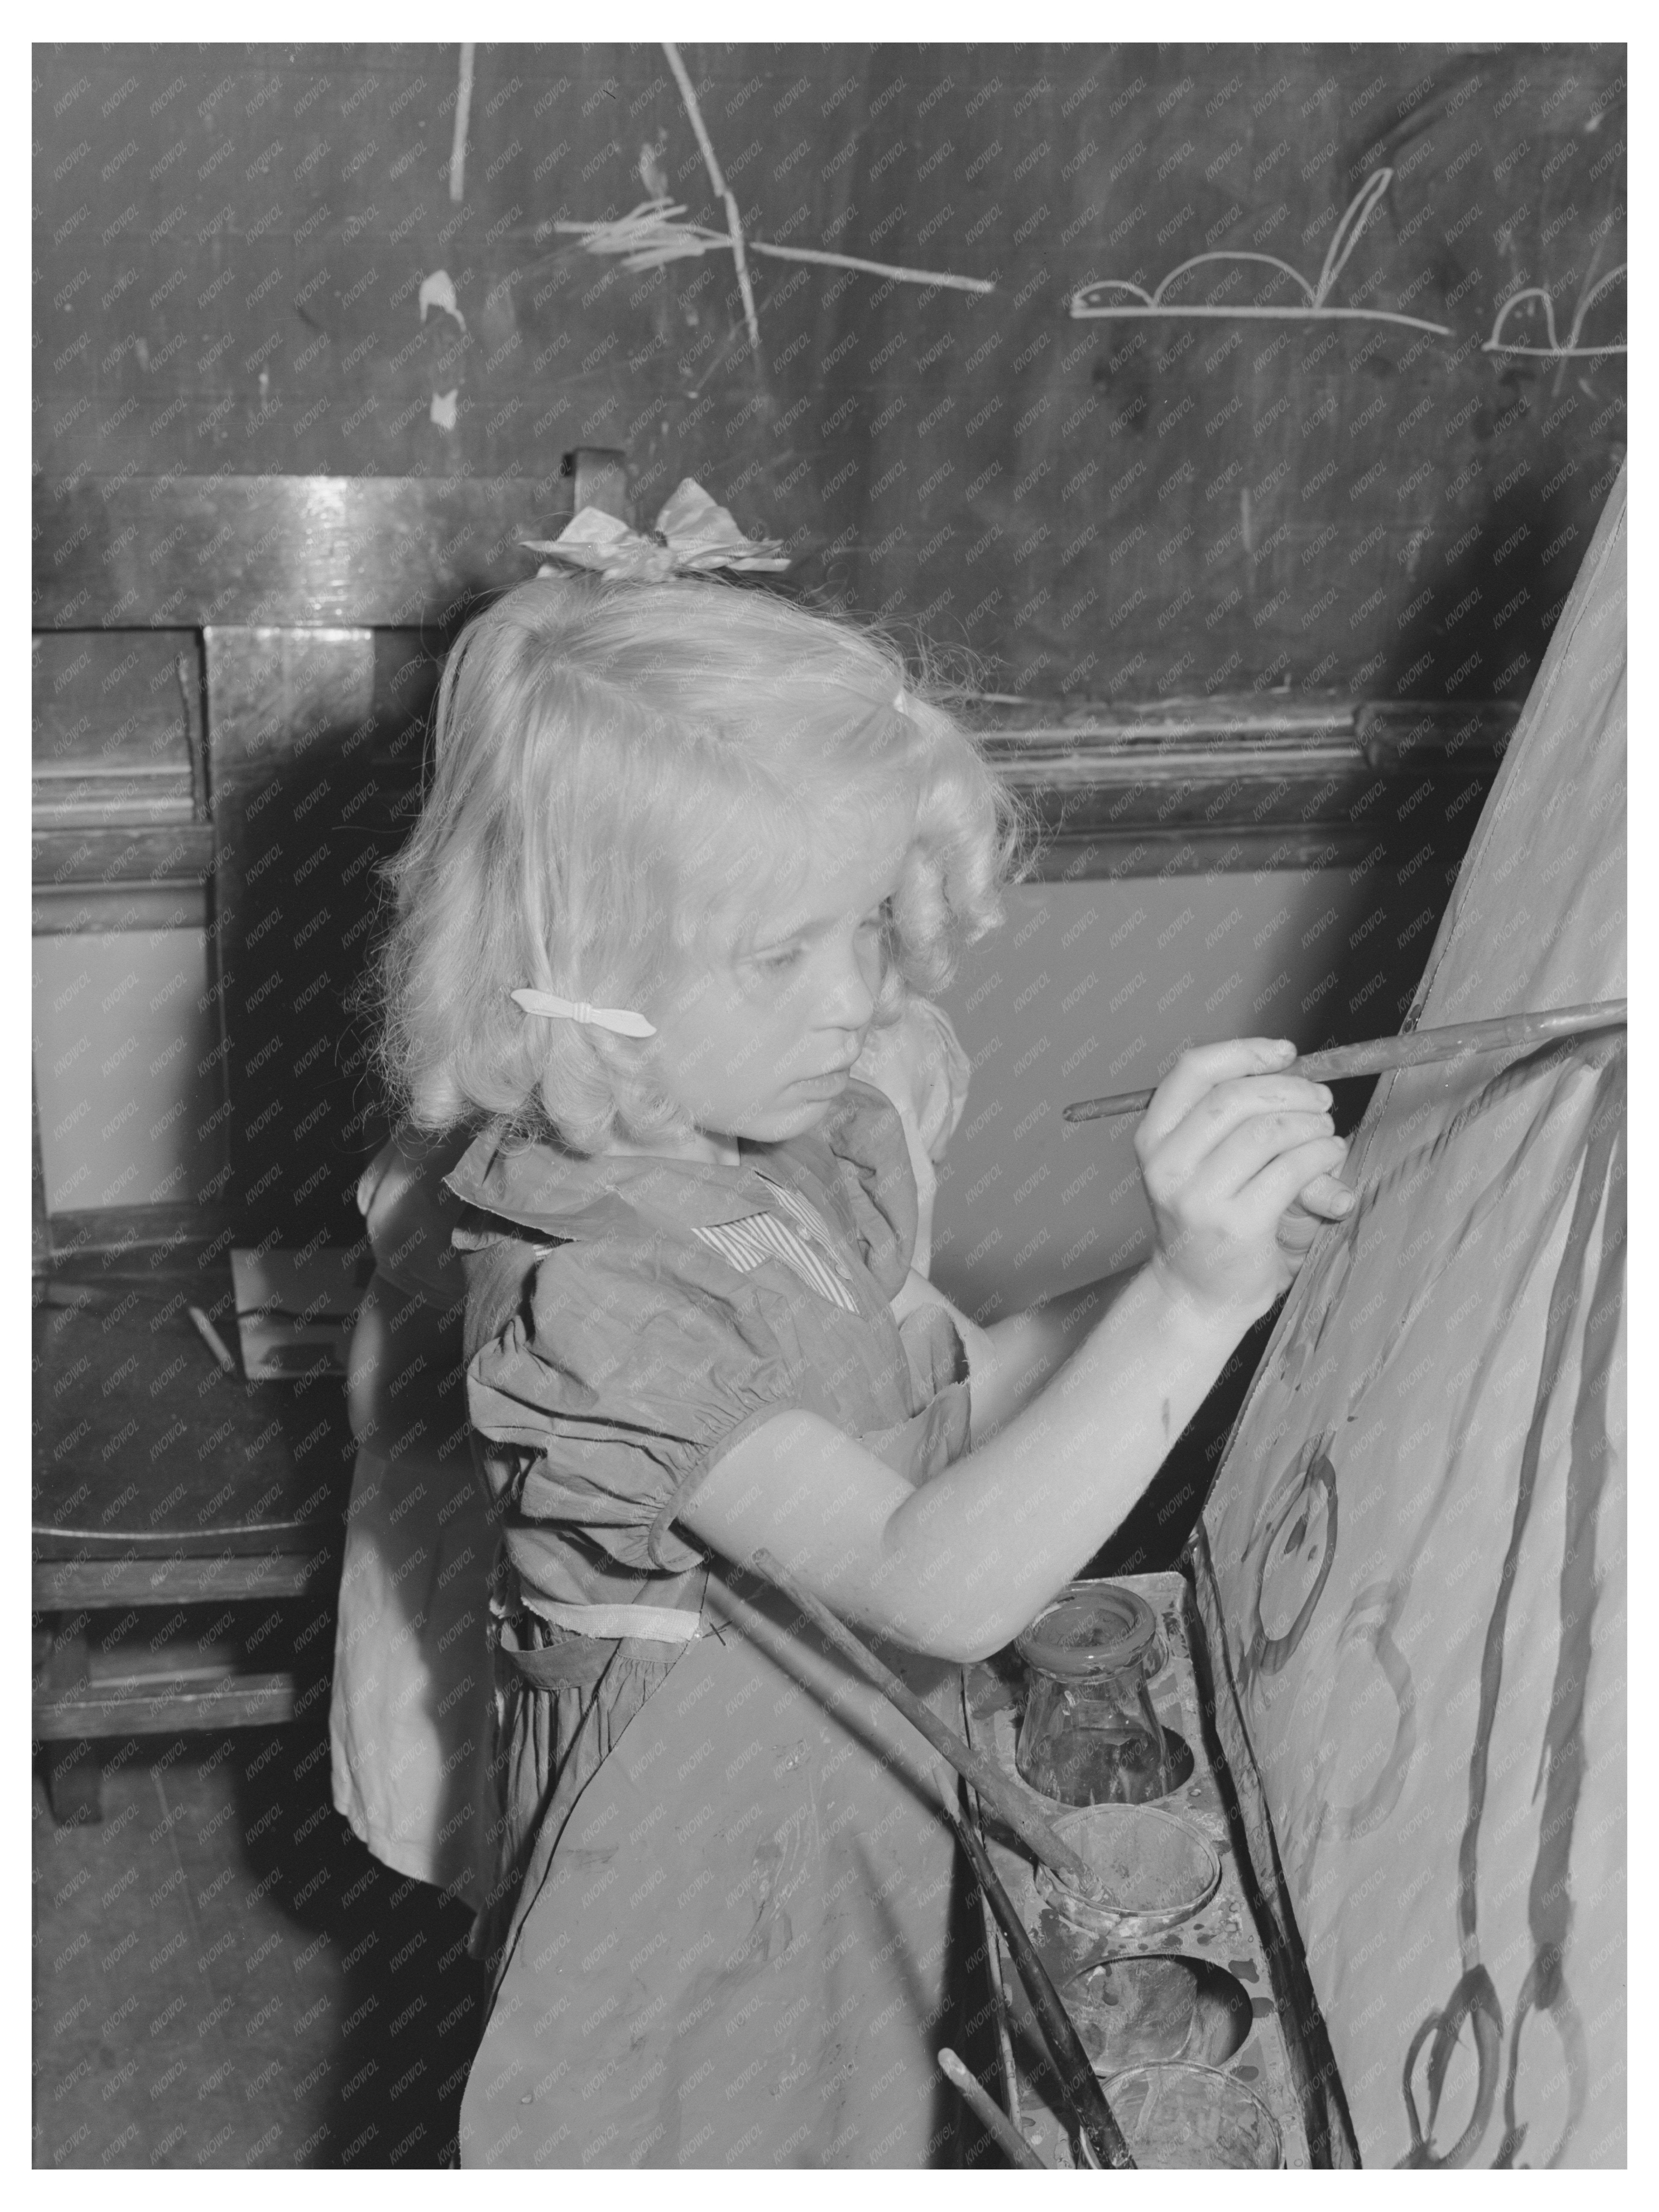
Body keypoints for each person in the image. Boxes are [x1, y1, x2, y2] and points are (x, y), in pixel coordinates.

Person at [372, 573, 1353, 2167]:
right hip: (690, 1876)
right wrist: (1184, 1307)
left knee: (862, 2107)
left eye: (863, 925)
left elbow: (956, 1398)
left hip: (835, 1793)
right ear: (577, 974)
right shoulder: (592, 1296)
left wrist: (1206, 1275)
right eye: (779, 955)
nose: (854, 1000)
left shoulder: (784, 1152)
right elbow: (928, 1577)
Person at [328, 992, 971, 1903]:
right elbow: (383, 1401)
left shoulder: (866, 1080)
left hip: (706, 1654)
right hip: (541, 1637)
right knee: (540, 1891)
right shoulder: (509, 1123)